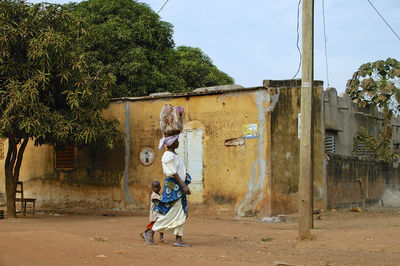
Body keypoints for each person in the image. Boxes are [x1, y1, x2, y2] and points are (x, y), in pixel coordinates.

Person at [143, 134, 191, 247]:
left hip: (178, 187)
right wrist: (183, 185)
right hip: (173, 188)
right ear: (171, 143)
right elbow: (173, 173)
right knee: (170, 212)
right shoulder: (167, 155)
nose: (178, 142)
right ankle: (151, 231)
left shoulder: (174, 155)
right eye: (177, 141)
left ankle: (178, 238)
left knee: (182, 212)